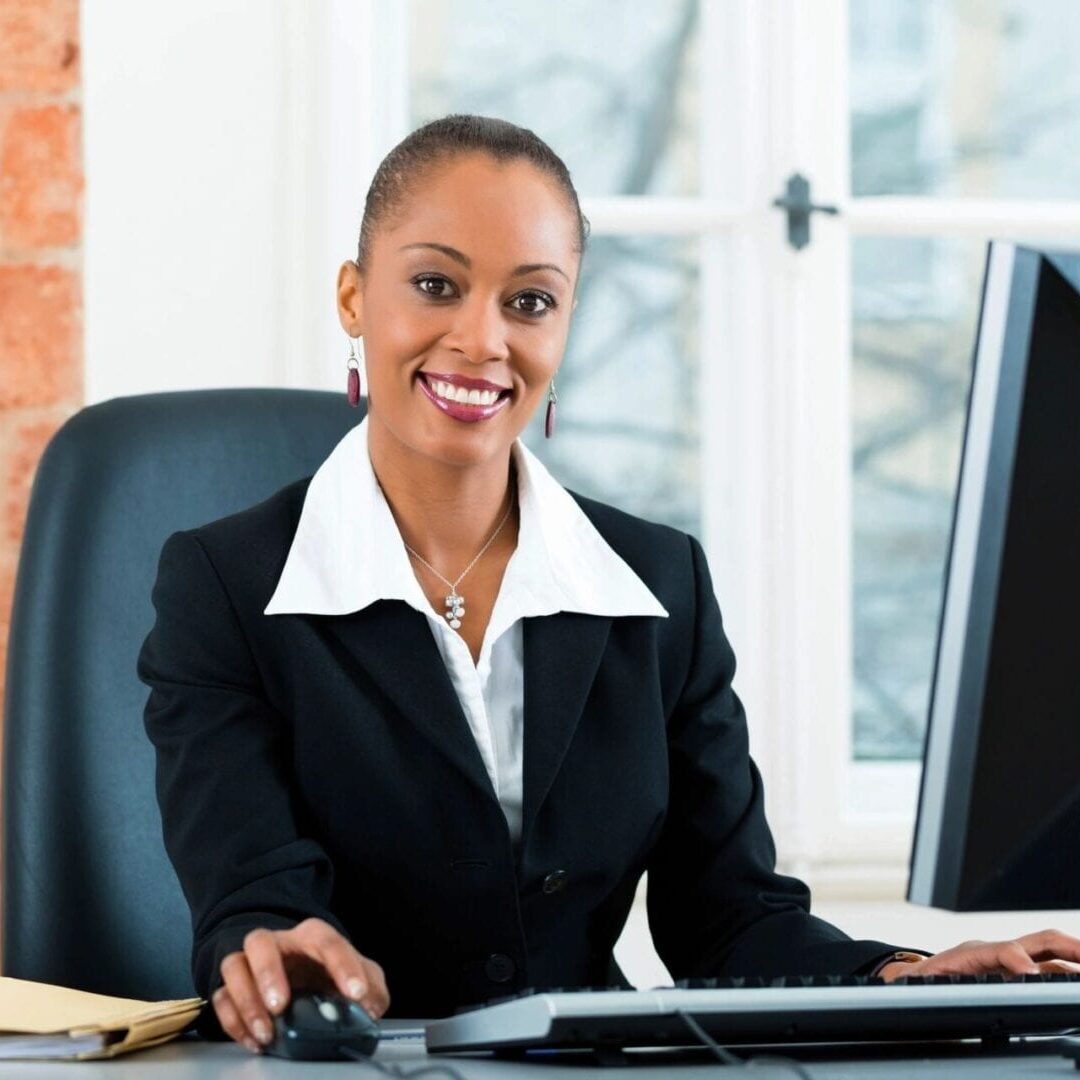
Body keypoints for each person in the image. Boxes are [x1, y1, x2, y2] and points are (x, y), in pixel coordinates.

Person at [138, 114, 1080, 1056]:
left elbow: (731, 921)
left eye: (531, 302)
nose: (482, 338)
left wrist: (902, 982)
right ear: (353, 297)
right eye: (436, 285)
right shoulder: (226, 585)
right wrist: (279, 959)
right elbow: (252, 900)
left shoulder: (656, 587)